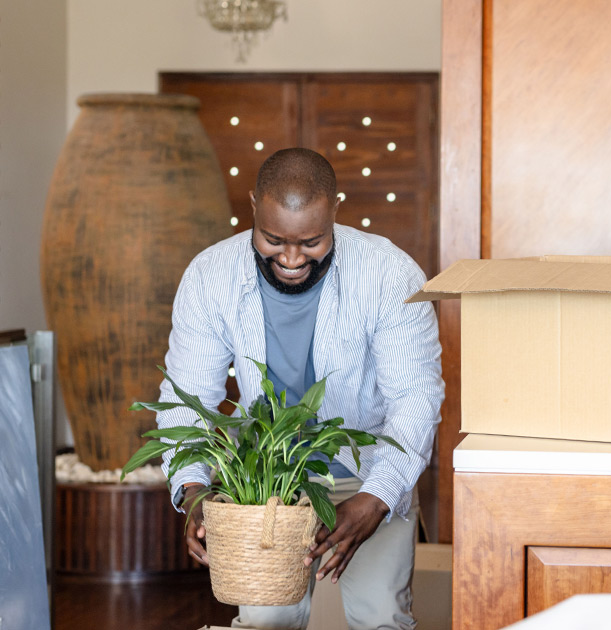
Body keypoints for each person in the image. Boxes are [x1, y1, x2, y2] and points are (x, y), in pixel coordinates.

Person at [154, 148, 444, 629]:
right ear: (252, 206)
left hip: (367, 472)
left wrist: (378, 498)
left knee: (382, 620)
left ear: (335, 210)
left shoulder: (391, 275)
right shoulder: (209, 276)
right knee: (267, 622)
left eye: (311, 241)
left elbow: (415, 399)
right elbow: (187, 398)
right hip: (267, 483)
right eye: (272, 240)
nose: (291, 258)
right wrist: (193, 491)